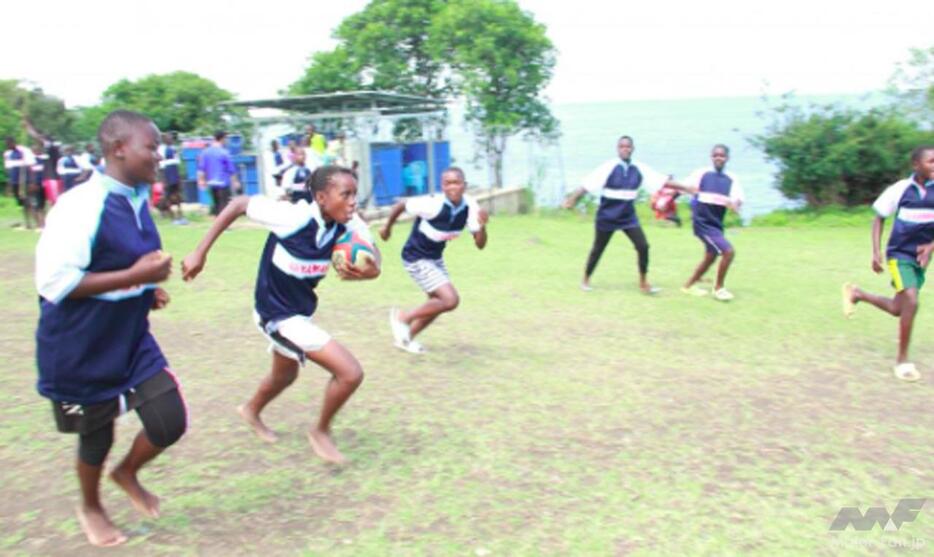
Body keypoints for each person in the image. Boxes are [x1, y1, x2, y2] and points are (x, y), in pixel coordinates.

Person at [34, 110, 186, 547]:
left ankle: (128, 473)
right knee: (95, 437)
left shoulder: (138, 197)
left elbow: (125, 263)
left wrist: (146, 290)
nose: (158, 156)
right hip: (81, 345)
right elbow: (55, 283)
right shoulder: (81, 205)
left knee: (168, 419)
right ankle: (91, 505)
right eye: (150, 147)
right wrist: (135, 277)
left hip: (130, 336)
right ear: (118, 148)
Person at [182, 166, 380, 464]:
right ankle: (320, 432)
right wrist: (200, 252)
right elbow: (238, 204)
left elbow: (374, 256)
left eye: (355, 193)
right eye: (346, 194)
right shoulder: (293, 217)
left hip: (300, 313)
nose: (353, 202)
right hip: (275, 313)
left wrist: (369, 270)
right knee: (350, 372)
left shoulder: (349, 225)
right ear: (322, 197)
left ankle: (250, 411)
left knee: (284, 375)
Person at [842, 145, 934, 382]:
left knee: (898, 308)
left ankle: (857, 294)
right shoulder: (901, 189)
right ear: (916, 165)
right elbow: (879, 218)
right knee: (911, 302)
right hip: (899, 254)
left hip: (922, 257)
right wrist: (876, 251)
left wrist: (931, 246)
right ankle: (902, 361)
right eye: (931, 161)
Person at [379, 167, 489, 354]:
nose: (452, 187)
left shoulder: (471, 207)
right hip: (415, 257)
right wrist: (387, 227)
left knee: (436, 304)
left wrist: (482, 226)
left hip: (435, 258)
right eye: (447, 183)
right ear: (442, 186)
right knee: (450, 300)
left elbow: (480, 244)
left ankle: (405, 341)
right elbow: (401, 205)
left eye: (456, 182)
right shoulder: (432, 204)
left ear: (465, 185)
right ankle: (403, 317)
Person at [562, 135, 672, 294]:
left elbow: (661, 181)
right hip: (607, 216)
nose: (625, 149)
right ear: (617, 149)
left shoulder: (638, 167)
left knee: (643, 246)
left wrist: (687, 189)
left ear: (632, 149)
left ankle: (643, 283)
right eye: (622, 146)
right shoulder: (609, 166)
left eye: (628, 147)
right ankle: (585, 280)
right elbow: (587, 185)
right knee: (598, 248)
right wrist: (572, 199)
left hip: (628, 217)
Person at [667, 144, 744, 301]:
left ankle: (688, 286)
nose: (718, 158)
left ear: (727, 158)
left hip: (716, 224)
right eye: (715, 155)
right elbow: (682, 188)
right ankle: (719, 289)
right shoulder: (702, 174)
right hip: (702, 224)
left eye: (721, 155)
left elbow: (738, 199)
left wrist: (735, 204)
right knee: (728, 252)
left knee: (711, 256)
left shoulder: (732, 179)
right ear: (711, 157)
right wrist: (667, 203)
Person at [197, 131, 240, 216]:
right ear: (223, 139)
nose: (227, 141)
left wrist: (201, 181)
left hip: (211, 183)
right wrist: (235, 182)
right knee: (224, 205)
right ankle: (223, 224)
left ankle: (217, 222)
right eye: (226, 138)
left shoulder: (205, 152)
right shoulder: (224, 152)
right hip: (223, 182)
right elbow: (231, 169)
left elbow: (201, 169)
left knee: (216, 205)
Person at [4, 136, 36, 227]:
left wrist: (32, 182)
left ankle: (37, 223)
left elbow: (31, 167)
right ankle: (27, 223)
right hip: (14, 182)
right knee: (20, 203)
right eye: (7, 145)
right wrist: (9, 185)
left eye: (9, 144)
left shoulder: (23, 151)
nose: (8, 146)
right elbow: (8, 170)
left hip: (24, 180)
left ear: (13, 142)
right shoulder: (7, 154)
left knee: (28, 201)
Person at [157, 132, 186, 224]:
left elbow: (177, 162)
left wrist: (179, 177)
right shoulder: (162, 149)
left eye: (172, 138)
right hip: (167, 174)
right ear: (165, 139)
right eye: (169, 138)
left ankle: (180, 214)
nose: (171, 140)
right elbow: (161, 166)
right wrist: (163, 179)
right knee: (168, 195)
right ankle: (170, 214)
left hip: (175, 173)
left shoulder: (174, 149)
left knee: (177, 194)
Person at [28, 144, 47, 228]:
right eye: (35, 150)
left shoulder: (43, 160)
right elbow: (30, 174)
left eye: (38, 150)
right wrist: (32, 183)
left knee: (42, 205)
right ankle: (39, 224)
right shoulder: (30, 161)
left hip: (43, 184)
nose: (37, 152)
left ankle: (43, 222)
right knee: (36, 205)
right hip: (34, 185)